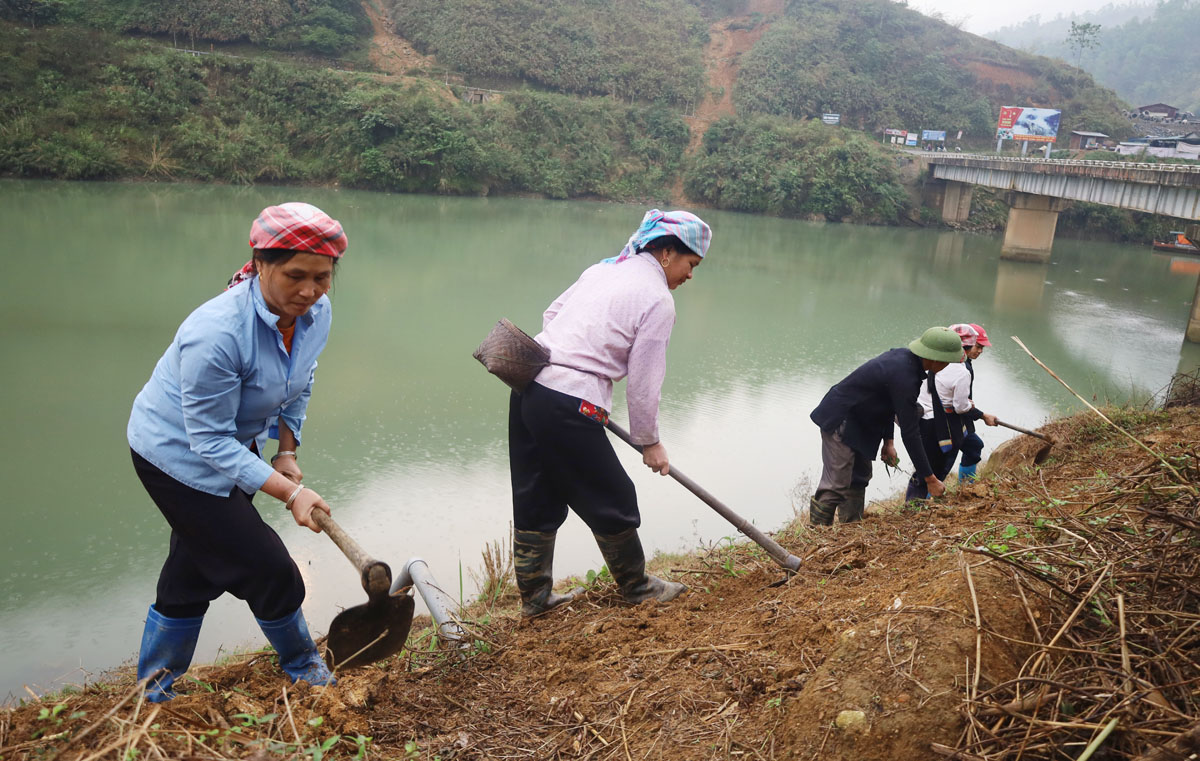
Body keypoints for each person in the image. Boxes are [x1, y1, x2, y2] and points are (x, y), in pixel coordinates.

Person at [128, 202, 346, 702]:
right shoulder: (218, 334)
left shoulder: (314, 314)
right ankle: (301, 665)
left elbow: (301, 380)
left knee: (196, 565)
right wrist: (291, 494)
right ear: (260, 263)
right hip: (175, 454)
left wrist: (286, 451)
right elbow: (206, 441)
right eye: (295, 276)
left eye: (322, 277)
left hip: (232, 443)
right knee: (267, 566)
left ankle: (153, 690)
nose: (309, 291)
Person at [508, 209, 710, 615]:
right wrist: (649, 442)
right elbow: (643, 383)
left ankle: (535, 598)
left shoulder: (601, 271)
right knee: (612, 494)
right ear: (668, 253)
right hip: (569, 402)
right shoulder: (657, 299)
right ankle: (638, 587)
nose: (690, 276)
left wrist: (576, 354)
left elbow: (552, 317)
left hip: (529, 389)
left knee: (537, 493)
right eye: (691, 264)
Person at [808, 327, 964, 525]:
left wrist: (888, 442)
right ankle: (817, 535)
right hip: (842, 419)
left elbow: (889, 404)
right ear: (936, 359)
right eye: (948, 362)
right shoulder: (905, 375)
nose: (947, 366)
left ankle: (850, 527)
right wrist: (930, 478)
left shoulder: (907, 362)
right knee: (837, 483)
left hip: (863, 421)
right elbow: (910, 432)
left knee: (860, 476)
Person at [905, 324, 998, 500]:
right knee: (937, 470)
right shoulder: (961, 371)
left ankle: (963, 489)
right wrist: (979, 413)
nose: (980, 351)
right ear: (963, 349)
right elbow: (960, 407)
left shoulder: (928, 361)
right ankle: (918, 509)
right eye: (977, 347)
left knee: (925, 468)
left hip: (923, 421)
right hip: (944, 426)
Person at [956, 323, 993, 482]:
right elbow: (959, 403)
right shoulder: (960, 366)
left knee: (974, 446)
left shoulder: (966, 363)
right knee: (940, 462)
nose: (980, 351)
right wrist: (983, 415)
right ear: (967, 343)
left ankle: (966, 487)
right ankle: (924, 500)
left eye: (982, 348)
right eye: (978, 346)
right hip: (951, 419)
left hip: (962, 415)